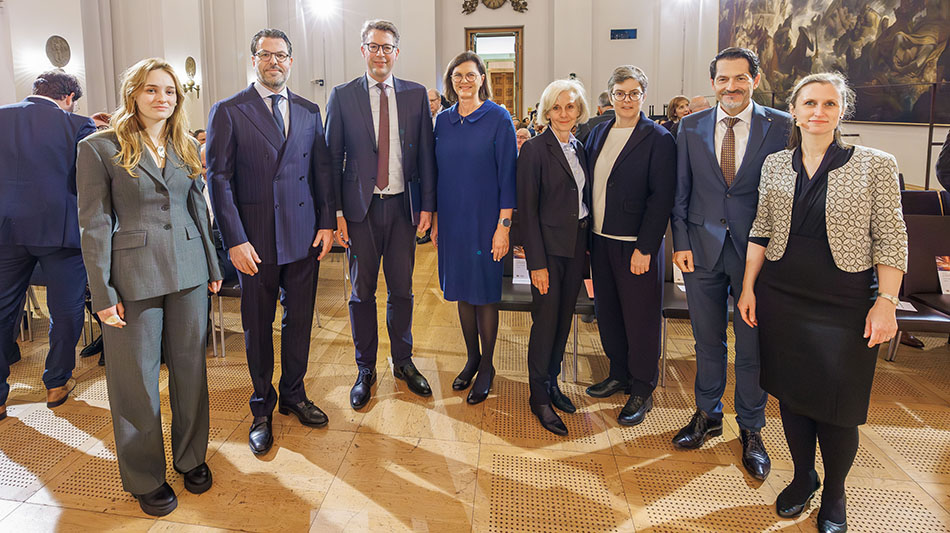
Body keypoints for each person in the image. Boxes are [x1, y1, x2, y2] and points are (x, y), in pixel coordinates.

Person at [738, 72, 907, 532]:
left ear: (841, 111)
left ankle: (834, 492)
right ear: (793, 111)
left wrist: (887, 302)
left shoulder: (875, 164)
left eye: (829, 103)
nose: (818, 111)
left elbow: (891, 238)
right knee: (792, 395)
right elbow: (761, 229)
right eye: (809, 103)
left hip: (845, 300)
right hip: (782, 294)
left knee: (839, 404)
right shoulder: (775, 163)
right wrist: (749, 287)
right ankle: (803, 477)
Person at [76, 58, 223, 516]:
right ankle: (145, 475)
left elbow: (198, 207)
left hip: (189, 270)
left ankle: (191, 457)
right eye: (152, 90)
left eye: (170, 91)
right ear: (133, 94)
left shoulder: (185, 144)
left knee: (190, 371)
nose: (163, 98)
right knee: (135, 381)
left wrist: (212, 263)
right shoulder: (99, 147)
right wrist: (102, 294)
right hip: (133, 276)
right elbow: (95, 224)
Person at [207, 28, 335, 455]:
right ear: (254, 61)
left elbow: (321, 171)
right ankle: (261, 406)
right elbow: (219, 180)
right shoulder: (229, 110)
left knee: (299, 322)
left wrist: (326, 223)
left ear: (291, 61)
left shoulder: (309, 110)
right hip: (255, 241)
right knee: (258, 326)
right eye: (265, 55)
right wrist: (234, 239)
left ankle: (294, 394)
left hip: (302, 237)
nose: (273, 62)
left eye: (280, 55)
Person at [670, 47, 790, 480]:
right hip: (700, 249)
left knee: (752, 344)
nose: (731, 87)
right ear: (713, 82)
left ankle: (752, 428)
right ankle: (707, 414)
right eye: (723, 79)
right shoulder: (690, 126)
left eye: (740, 78)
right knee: (706, 340)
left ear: (754, 80)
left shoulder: (782, 126)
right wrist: (680, 242)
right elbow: (680, 190)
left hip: (756, 254)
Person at [325, 20, 436, 410]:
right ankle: (365, 368)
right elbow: (331, 159)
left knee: (402, 290)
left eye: (387, 47)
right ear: (363, 50)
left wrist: (427, 206)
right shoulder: (342, 96)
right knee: (361, 294)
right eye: (373, 46)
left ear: (396, 53)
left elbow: (426, 156)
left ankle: (403, 361)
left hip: (403, 209)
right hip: (360, 211)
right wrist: (336, 213)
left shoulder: (415, 95)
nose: (380, 54)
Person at [583, 66, 676, 428]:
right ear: (611, 97)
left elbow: (661, 198)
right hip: (600, 240)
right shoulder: (599, 131)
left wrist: (646, 248)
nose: (626, 100)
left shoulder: (658, 138)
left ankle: (642, 388)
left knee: (640, 320)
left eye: (634, 93)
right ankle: (618, 373)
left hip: (636, 246)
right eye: (620, 93)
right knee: (608, 313)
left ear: (643, 96)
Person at [0, 70, 96, 420]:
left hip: (5, 230)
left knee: (2, 311)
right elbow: (89, 179)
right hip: (60, 231)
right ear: (69, 97)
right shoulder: (79, 125)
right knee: (66, 310)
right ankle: (56, 382)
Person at [433, 51, 516, 404]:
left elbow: (508, 177)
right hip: (453, 221)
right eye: (457, 76)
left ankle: (487, 367)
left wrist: (503, 227)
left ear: (482, 78)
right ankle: (471, 358)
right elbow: (436, 175)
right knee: (462, 292)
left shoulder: (498, 118)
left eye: (470, 75)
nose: (464, 81)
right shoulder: (443, 121)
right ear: (450, 82)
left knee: (484, 294)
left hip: (486, 221)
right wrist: (436, 220)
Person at [517, 79, 591, 435]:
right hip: (547, 251)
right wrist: (537, 264)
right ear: (547, 112)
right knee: (545, 322)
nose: (564, 113)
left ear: (579, 111)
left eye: (570, 107)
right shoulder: (534, 150)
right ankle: (538, 396)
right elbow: (527, 212)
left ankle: (552, 382)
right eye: (557, 108)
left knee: (563, 320)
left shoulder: (580, 147)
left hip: (576, 246)